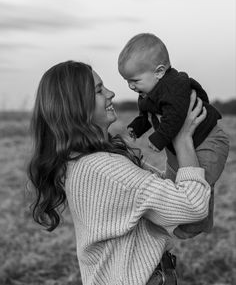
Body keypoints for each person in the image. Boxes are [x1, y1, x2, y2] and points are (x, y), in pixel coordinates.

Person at [28, 60, 211, 285]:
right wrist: (183, 140)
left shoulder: (82, 162)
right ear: (76, 106)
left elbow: (165, 190)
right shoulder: (105, 168)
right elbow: (192, 206)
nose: (111, 93)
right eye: (98, 90)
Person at [118, 33, 229, 238]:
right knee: (174, 188)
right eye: (127, 81)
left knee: (201, 181)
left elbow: (176, 117)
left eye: (134, 80)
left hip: (208, 141)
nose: (131, 87)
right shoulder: (148, 91)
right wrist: (137, 127)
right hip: (181, 148)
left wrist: (158, 139)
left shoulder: (173, 87)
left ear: (159, 72)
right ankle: (175, 220)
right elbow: (147, 115)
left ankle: (197, 225)